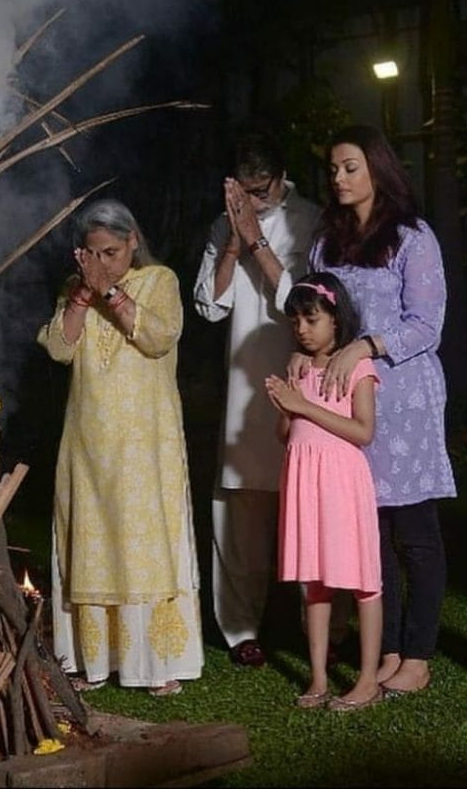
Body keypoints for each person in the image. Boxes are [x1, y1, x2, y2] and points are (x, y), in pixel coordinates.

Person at [290, 124, 456, 696]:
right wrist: (303, 353)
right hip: (348, 405)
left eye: (350, 167)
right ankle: (385, 648)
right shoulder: (324, 244)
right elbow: (314, 313)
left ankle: (418, 654)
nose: (339, 178)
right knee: (370, 533)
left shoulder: (412, 237)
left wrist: (365, 344)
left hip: (405, 403)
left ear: (377, 169)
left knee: (414, 532)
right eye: (333, 169)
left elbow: (427, 325)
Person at [39, 198, 203, 696]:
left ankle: (156, 665)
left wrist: (108, 290)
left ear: (133, 241)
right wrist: (82, 298)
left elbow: (157, 337)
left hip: (143, 444)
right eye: (93, 253)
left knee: (143, 545)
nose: (103, 262)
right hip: (87, 443)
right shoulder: (77, 290)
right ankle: (94, 661)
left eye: (112, 251)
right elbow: (58, 348)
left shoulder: (161, 281)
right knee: (91, 543)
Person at [193, 126, 322, 667]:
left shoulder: (310, 218)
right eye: (244, 190)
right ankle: (241, 627)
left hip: (301, 378)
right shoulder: (225, 221)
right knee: (240, 509)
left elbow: (303, 299)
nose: (253, 200)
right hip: (244, 381)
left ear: (281, 178)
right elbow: (208, 305)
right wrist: (231, 240)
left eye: (262, 189)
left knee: (310, 504)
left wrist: (259, 241)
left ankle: (319, 626)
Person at [266, 273, 383, 711]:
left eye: (311, 319)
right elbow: (287, 432)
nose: (301, 329)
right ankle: (317, 678)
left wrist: (303, 407)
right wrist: (285, 407)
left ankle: (368, 680)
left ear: (336, 319)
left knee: (363, 582)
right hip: (303, 483)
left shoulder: (357, 368)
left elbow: (364, 431)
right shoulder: (297, 368)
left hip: (342, 485)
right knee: (314, 584)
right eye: (295, 320)